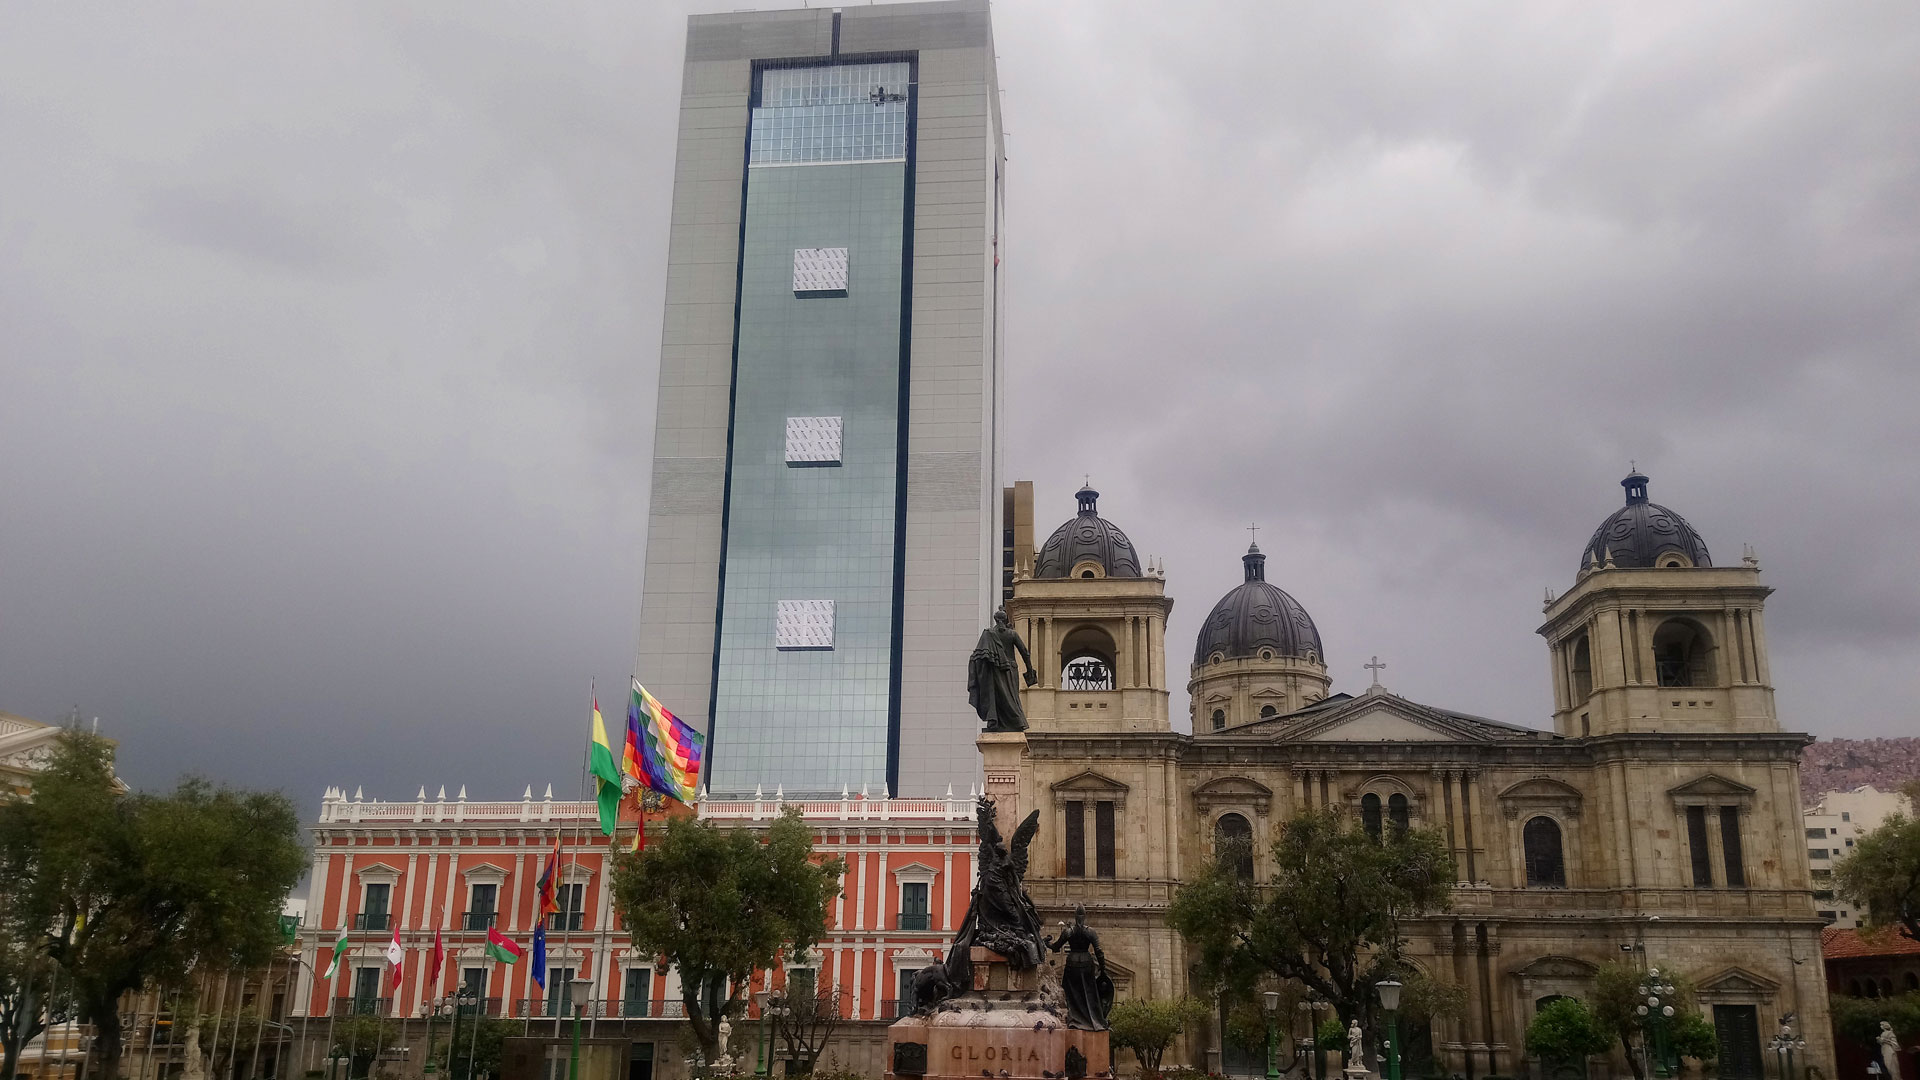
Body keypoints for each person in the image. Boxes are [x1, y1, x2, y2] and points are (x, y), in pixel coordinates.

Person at [1046, 904, 1115, 1031]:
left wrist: (1046, 943)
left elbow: (1055, 948)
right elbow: (1099, 951)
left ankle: (1075, 1019)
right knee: (1089, 994)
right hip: (1086, 963)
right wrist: (1103, 969)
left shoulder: (1068, 932)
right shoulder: (1090, 932)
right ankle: (1094, 1021)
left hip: (1072, 963)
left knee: (1071, 994)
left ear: (1075, 916)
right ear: (1085, 916)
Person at [968, 608, 1038, 732]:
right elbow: (1025, 653)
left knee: (996, 696)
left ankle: (995, 721)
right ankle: (1015, 722)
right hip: (1010, 669)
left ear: (995, 619)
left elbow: (977, 655)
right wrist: (1030, 670)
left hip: (994, 669)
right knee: (1012, 697)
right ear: (1006, 619)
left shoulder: (988, 633)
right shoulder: (1012, 634)